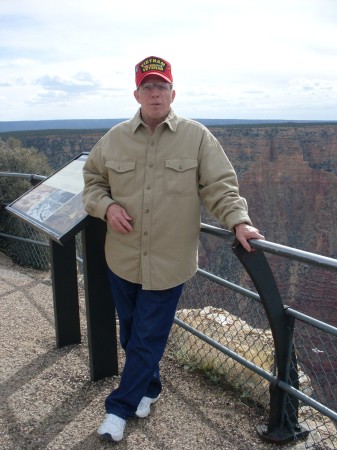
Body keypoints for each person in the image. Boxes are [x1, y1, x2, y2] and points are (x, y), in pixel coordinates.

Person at [82, 55, 264, 442]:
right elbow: (93, 182)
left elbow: (220, 187)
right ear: (136, 93)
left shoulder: (197, 137)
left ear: (172, 92)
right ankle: (149, 387)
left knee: (147, 336)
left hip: (169, 261)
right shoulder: (114, 138)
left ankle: (118, 410)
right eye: (147, 86)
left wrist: (239, 221)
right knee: (131, 333)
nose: (154, 93)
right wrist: (107, 206)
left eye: (161, 86)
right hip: (124, 257)